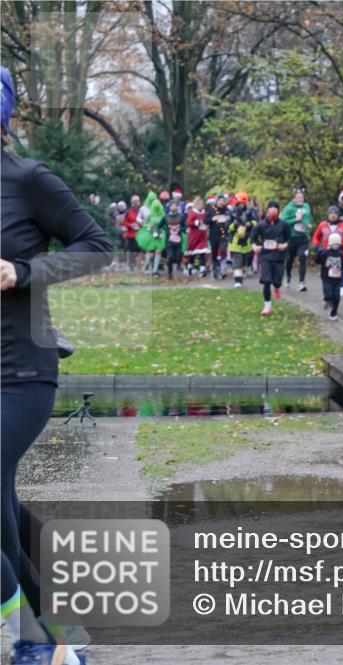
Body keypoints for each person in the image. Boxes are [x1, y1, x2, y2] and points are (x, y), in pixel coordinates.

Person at [1, 64, 110, 664]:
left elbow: (96, 246)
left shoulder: (27, 180)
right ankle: (62, 623)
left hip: (20, 371)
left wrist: (24, 272)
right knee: (3, 510)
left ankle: (40, 644)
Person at [252, 200, 291, 315]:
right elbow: (253, 237)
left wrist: (284, 245)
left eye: (275, 209)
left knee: (277, 282)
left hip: (279, 256)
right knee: (266, 281)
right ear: (267, 211)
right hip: (266, 256)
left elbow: (289, 239)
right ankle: (267, 306)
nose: (273, 211)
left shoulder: (283, 225)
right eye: (271, 209)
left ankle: (277, 288)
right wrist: (255, 246)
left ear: (278, 211)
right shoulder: (261, 225)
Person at [280, 188, 313, 292]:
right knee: (290, 259)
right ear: (293, 198)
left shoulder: (306, 206)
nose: (300, 199)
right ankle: (288, 277)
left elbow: (308, 217)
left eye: (301, 197)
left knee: (302, 257)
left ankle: (301, 283)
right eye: (298, 197)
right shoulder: (288, 208)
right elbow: (283, 222)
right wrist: (295, 220)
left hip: (303, 238)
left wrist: (308, 225)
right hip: (291, 238)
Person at [316, 232, 343, 319]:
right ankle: (327, 300)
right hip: (327, 278)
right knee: (329, 294)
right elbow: (318, 261)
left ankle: (333, 313)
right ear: (330, 244)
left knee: (337, 297)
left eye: (337, 244)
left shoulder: (340, 254)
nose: (336, 245)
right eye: (334, 243)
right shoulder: (325, 253)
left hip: (337, 279)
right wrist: (318, 253)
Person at [227, 197, 256, 288]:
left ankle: (241, 275)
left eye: (243, 203)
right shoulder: (232, 212)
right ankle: (237, 281)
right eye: (240, 203)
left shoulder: (250, 211)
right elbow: (227, 225)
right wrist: (235, 226)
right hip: (235, 241)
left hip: (246, 241)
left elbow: (256, 222)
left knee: (244, 262)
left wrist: (250, 224)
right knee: (237, 262)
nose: (241, 204)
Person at [160, 200, 186, 280]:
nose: (173, 207)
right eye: (172, 206)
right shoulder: (165, 217)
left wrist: (181, 229)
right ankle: (170, 274)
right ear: (169, 207)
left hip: (178, 240)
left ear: (177, 207)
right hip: (169, 241)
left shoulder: (181, 216)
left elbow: (184, 227)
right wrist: (160, 232)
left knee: (178, 257)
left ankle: (178, 265)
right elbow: (159, 226)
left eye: (175, 206)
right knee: (170, 257)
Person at [185, 196, 209, 277]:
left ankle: (202, 270)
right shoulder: (193, 213)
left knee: (202, 253)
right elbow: (188, 222)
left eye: (201, 204)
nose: (200, 206)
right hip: (194, 236)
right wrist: (195, 223)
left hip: (203, 236)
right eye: (198, 204)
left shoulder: (204, 213)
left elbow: (207, 221)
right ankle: (190, 267)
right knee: (192, 254)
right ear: (195, 205)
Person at [209, 194, 231, 279]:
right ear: (217, 201)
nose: (222, 202)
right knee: (214, 252)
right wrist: (212, 219)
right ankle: (215, 268)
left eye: (223, 200)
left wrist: (228, 219)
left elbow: (231, 218)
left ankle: (222, 268)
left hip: (224, 234)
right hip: (214, 233)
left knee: (223, 250)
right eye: (220, 200)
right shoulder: (212, 210)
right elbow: (206, 220)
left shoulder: (227, 210)